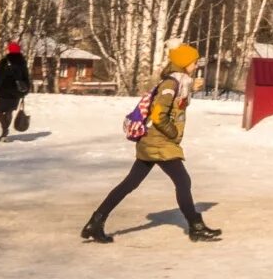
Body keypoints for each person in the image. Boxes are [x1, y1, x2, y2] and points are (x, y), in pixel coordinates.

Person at [81, 43, 222, 244]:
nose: (196, 65)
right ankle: (196, 227)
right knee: (183, 181)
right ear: (184, 63)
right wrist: (172, 133)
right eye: (193, 62)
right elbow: (158, 115)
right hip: (159, 142)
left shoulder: (178, 83)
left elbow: (176, 105)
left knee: (130, 183)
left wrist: (192, 88)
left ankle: (95, 223)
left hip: (153, 142)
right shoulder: (171, 84)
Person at [0, 41, 33, 142]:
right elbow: (26, 78)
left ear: (9, 50)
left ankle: (5, 130)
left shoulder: (5, 61)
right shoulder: (22, 62)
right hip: (16, 92)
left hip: (3, 91)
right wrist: (25, 91)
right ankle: (4, 133)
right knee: (9, 111)